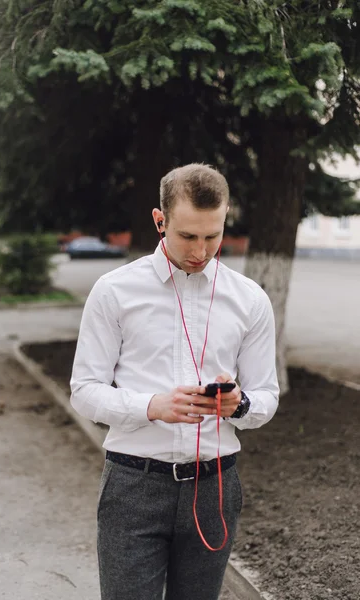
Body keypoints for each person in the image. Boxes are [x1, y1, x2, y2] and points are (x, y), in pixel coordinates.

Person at [70, 163, 279, 600]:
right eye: (187, 236)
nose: (201, 250)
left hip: (215, 489)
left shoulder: (250, 299)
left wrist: (237, 405)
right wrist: (151, 406)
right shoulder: (114, 291)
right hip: (133, 486)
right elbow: (84, 389)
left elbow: (266, 397)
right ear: (159, 220)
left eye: (212, 235)